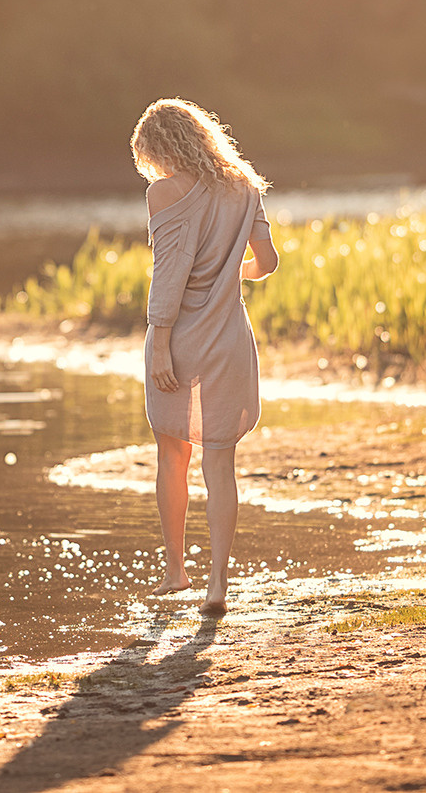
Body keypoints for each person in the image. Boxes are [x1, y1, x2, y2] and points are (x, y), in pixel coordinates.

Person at [130, 97, 278, 615]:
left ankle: (176, 573)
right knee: (222, 464)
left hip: (180, 338)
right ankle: (217, 584)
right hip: (230, 338)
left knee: (173, 455)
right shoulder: (246, 188)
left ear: (158, 148)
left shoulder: (164, 192)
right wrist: (223, 280)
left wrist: (160, 341)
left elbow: (168, 274)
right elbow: (268, 262)